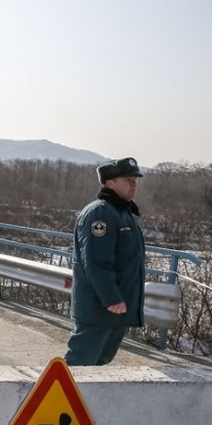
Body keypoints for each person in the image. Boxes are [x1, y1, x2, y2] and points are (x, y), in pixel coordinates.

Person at [65, 157, 146, 366]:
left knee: (98, 368)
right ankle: (52, 399)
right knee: (79, 365)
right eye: (128, 180)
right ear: (110, 182)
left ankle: (83, 400)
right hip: (99, 308)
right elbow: (96, 261)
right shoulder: (100, 213)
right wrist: (111, 298)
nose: (134, 184)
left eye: (135, 180)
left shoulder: (124, 214)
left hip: (117, 310)